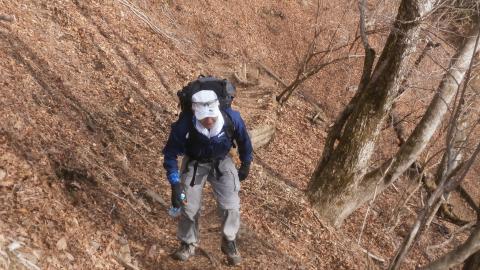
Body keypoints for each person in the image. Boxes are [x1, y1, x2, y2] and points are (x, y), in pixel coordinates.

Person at [162, 89, 253, 265]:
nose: (209, 120)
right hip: (194, 163)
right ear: (196, 112)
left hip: (222, 160)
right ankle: (187, 243)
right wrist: (175, 183)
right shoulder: (185, 124)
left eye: (212, 116)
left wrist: (246, 163)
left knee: (231, 205)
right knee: (188, 206)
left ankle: (229, 241)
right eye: (204, 117)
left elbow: (244, 141)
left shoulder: (231, 118)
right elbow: (170, 154)